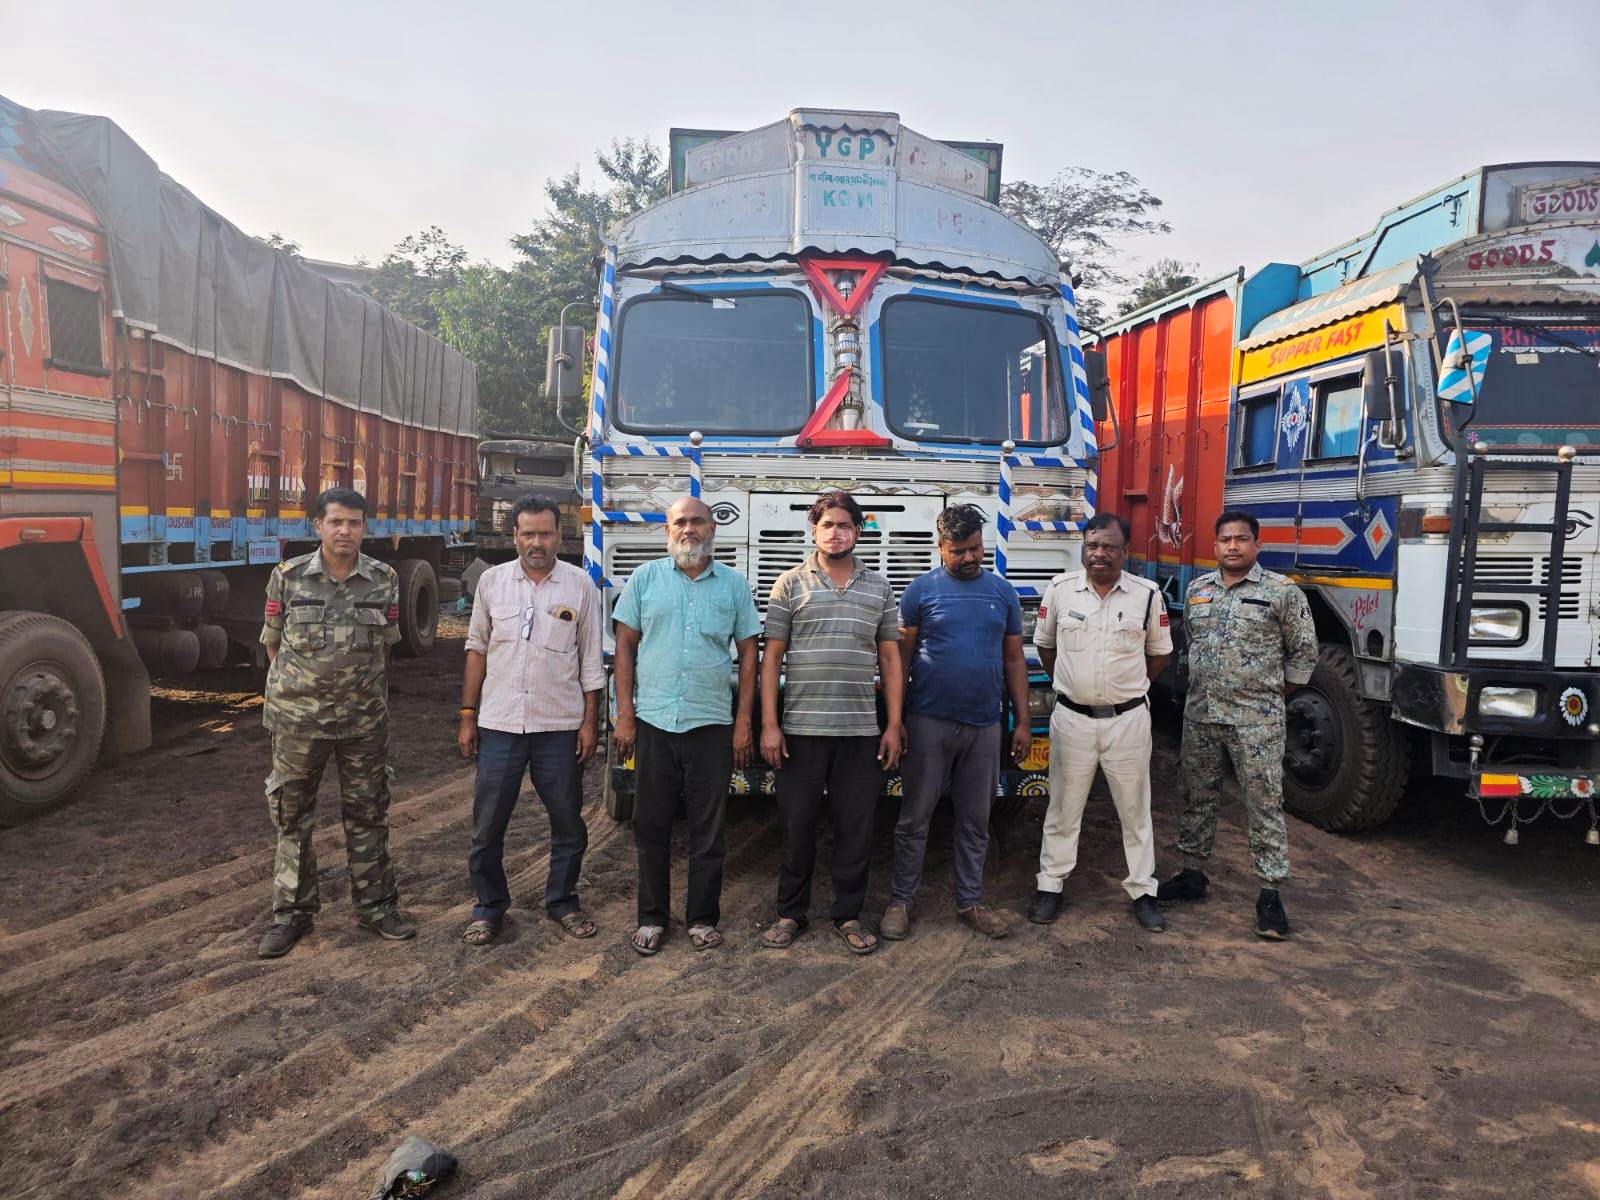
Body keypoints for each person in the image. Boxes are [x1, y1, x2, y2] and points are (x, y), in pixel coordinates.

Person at [256, 486, 415, 958]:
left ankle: (376, 908)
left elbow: (387, 643)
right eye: (335, 521)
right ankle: (291, 915)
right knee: (292, 818)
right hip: (298, 723)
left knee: (369, 815)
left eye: (354, 522)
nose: (344, 530)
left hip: (363, 723)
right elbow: (273, 645)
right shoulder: (287, 578)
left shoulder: (384, 579)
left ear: (365, 528)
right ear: (318, 526)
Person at [611, 496, 761, 956]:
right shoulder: (644, 579)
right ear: (667, 531)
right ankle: (652, 918)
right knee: (650, 825)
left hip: (711, 724)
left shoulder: (734, 587)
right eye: (680, 522)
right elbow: (624, 650)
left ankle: (701, 918)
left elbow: (751, 657)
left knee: (708, 830)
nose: (689, 529)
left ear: (713, 530)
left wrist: (743, 725)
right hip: (654, 722)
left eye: (698, 521)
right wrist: (625, 714)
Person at [1158, 510, 1317, 940]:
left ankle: (1270, 893)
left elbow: (1303, 654)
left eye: (1242, 539)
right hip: (1202, 715)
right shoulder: (1197, 591)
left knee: (1263, 804)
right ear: (1215, 546)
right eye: (1225, 539)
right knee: (1196, 795)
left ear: (1257, 545)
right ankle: (1192, 874)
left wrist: (1268, 698)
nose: (1233, 546)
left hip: (1256, 723)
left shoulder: (1281, 593)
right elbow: (1192, 643)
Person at [759, 490, 904, 955]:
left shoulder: (879, 588)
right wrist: (769, 724)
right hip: (800, 730)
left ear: (859, 532)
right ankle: (790, 913)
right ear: (814, 531)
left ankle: (849, 914)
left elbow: (890, 660)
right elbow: (771, 659)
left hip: (859, 732)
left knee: (855, 827)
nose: (836, 532)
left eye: (845, 524)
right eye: (828, 525)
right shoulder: (789, 584)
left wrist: (894, 724)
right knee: (797, 825)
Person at [457, 496, 604, 946]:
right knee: (488, 825)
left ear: (560, 536)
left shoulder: (580, 586)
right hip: (499, 724)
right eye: (527, 534)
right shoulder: (492, 583)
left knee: (567, 822)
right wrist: (467, 715)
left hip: (559, 726)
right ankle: (489, 907)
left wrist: (590, 722)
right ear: (514, 536)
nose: (536, 543)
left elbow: (591, 660)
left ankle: (562, 901)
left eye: (544, 534)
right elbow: (477, 649)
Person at [883, 505, 1028, 941]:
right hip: (928, 721)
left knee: (974, 820)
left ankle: (971, 901)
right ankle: (900, 902)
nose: (969, 558)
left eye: (975, 549)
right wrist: (897, 719)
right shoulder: (919, 592)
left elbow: (1014, 659)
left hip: (985, 725)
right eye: (959, 550)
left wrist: (1022, 722)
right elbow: (901, 661)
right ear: (940, 547)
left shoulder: (1002, 594)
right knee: (915, 816)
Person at [1027, 512, 1172, 932]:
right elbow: (1046, 646)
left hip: (1128, 721)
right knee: (1062, 808)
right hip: (1072, 719)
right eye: (1092, 546)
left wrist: (1130, 689)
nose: (1100, 554)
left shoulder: (1146, 595)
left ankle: (1143, 891)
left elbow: (1159, 654)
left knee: (1135, 810)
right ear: (1083, 549)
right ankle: (1049, 886)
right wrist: (1074, 686)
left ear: (1126, 551)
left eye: (1109, 546)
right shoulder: (1060, 591)